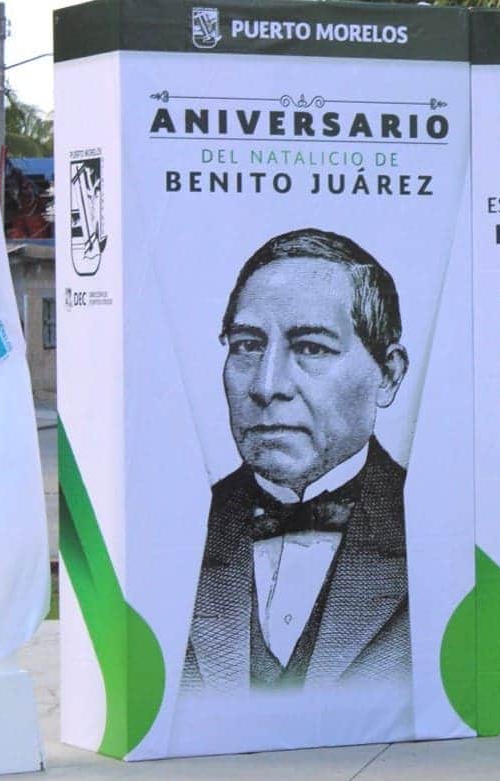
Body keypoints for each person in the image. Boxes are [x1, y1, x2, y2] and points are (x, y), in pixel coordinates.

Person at [183, 228, 413, 702]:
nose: (267, 387)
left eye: (311, 348)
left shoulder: (432, 525)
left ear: (387, 375)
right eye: (247, 345)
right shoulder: (179, 526)